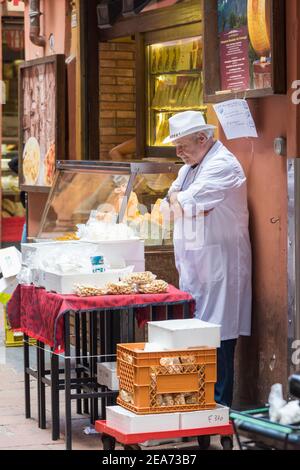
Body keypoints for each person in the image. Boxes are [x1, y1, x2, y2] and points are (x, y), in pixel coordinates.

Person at [162, 110, 252, 407]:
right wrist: (181, 203)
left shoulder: (223, 164)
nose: (178, 153)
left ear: (203, 138)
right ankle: (198, 406)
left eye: (182, 146)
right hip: (196, 266)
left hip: (220, 267)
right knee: (198, 338)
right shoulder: (189, 167)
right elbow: (172, 199)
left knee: (220, 341)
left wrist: (182, 204)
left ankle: (219, 411)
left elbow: (184, 204)